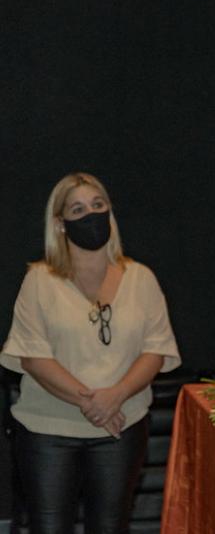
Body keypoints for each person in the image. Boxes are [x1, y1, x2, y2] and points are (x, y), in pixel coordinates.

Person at [0, 173, 181, 533]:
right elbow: (33, 356)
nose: (91, 215)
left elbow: (156, 350)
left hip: (121, 427)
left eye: (98, 205)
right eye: (78, 209)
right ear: (60, 224)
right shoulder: (39, 280)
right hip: (48, 432)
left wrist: (115, 397)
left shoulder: (141, 277)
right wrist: (94, 404)